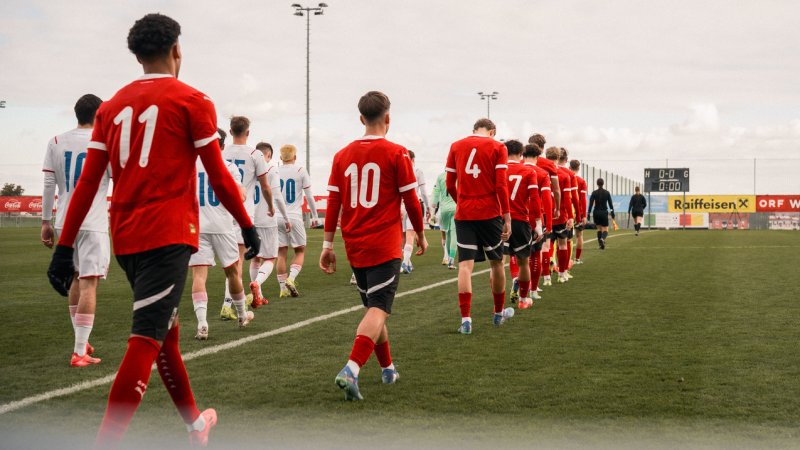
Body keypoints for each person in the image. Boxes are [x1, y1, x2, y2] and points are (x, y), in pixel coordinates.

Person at [45, 13, 261, 446]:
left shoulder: (111, 107)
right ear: (177, 50)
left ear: (137, 55)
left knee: (167, 334)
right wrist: (246, 224)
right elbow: (217, 174)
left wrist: (64, 245)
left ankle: (195, 424)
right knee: (146, 338)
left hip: (125, 236)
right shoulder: (192, 100)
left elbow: (89, 182)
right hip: (168, 235)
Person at [320, 91, 426, 400]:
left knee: (374, 309)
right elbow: (411, 200)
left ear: (361, 119)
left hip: (355, 244)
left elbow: (333, 202)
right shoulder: (397, 153)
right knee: (379, 309)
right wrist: (420, 232)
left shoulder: (341, 155)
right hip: (384, 244)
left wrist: (327, 244)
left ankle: (388, 368)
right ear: (388, 118)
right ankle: (351, 369)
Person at [41, 94, 108, 367]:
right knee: (89, 281)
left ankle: (81, 341)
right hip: (93, 222)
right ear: (100, 114)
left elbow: (48, 184)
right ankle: (79, 351)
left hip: (65, 220)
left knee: (76, 279)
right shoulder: (105, 142)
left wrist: (46, 221)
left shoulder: (56, 141)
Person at [446, 118, 513, 335]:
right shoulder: (498, 147)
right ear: (492, 131)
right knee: (497, 263)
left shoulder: (456, 145)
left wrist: (462, 202)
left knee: (465, 266)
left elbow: (449, 184)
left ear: (474, 129)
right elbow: (501, 185)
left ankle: (466, 319)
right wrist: (507, 216)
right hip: (489, 212)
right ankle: (498, 312)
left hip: (464, 213)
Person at [189, 129, 251, 339]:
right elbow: (240, 196)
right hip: (222, 224)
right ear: (222, 146)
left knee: (199, 275)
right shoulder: (229, 166)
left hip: (197, 225)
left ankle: (202, 323)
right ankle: (242, 315)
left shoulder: (190, 164)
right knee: (232, 272)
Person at [221, 116, 275, 313]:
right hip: (244, 212)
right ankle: (228, 305)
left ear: (231, 130)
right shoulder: (255, 154)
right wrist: (270, 206)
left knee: (229, 260)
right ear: (248, 132)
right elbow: (265, 185)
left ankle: (228, 303)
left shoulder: (222, 152)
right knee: (238, 260)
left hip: (222, 210)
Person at [249, 142, 290, 305]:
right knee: (269, 259)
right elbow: (278, 196)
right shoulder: (272, 169)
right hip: (267, 219)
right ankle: (257, 284)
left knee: (255, 259)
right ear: (269, 155)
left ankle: (257, 295)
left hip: (251, 220)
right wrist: (286, 218)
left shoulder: (250, 169)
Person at [503, 140, 543, 309]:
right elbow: (534, 199)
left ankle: (497, 306)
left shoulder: (498, 170)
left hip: (499, 221)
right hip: (520, 220)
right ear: (521, 155)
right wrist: (538, 224)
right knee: (523, 262)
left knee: (497, 263)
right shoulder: (528, 171)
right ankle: (523, 300)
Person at [276, 144, 318, 297]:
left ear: (281, 157)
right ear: (295, 157)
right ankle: (291, 279)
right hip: (294, 216)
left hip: (277, 216)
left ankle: (282, 289)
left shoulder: (275, 171)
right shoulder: (300, 170)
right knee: (299, 250)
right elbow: (309, 196)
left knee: (281, 253)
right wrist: (314, 215)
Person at [523, 143, 550, 299]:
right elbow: (546, 199)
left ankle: (516, 280)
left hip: (515, 216)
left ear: (523, 155)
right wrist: (547, 223)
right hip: (534, 217)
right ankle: (533, 290)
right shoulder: (542, 173)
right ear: (538, 157)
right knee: (535, 255)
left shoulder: (511, 169)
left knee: (518, 255)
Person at [532, 135, 560, 286]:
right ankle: (546, 277)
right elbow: (556, 190)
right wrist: (557, 207)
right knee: (544, 245)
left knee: (523, 247)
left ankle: (521, 279)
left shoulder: (521, 162)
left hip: (524, 208)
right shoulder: (548, 164)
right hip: (542, 207)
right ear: (542, 149)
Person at [546, 147, 574, 283]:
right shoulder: (564, 175)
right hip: (561, 214)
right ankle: (562, 274)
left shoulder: (541, 172)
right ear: (558, 158)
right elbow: (567, 198)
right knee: (563, 245)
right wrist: (570, 216)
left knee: (547, 246)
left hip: (546, 214)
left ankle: (546, 276)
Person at [400, 150, 430, 274]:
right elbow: (423, 191)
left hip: (400, 205)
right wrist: (428, 207)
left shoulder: (399, 170)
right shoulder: (417, 171)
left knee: (402, 236)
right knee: (410, 235)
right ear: (412, 159)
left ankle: (407, 262)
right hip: (412, 204)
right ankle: (405, 263)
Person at [432, 171, 457, 269]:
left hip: (444, 210)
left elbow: (436, 193)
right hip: (456, 207)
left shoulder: (440, 176)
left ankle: (446, 256)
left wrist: (433, 208)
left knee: (447, 233)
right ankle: (451, 261)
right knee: (454, 233)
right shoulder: (458, 174)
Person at [588, 178, 615, 249]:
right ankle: (602, 239)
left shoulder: (594, 193)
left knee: (599, 229)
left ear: (597, 184)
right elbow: (610, 204)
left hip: (596, 212)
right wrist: (612, 212)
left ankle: (600, 245)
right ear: (603, 184)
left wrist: (588, 212)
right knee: (605, 229)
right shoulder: (607, 192)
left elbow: (590, 203)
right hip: (604, 212)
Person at [570, 159, 588, 263]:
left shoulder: (567, 177)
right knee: (579, 235)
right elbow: (583, 199)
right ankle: (577, 258)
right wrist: (584, 215)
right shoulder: (581, 181)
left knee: (563, 238)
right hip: (578, 212)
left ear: (570, 167)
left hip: (567, 211)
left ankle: (562, 261)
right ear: (578, 168)